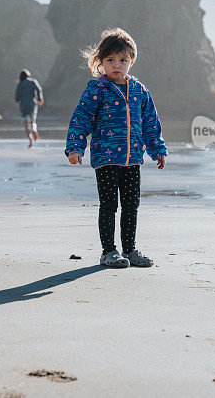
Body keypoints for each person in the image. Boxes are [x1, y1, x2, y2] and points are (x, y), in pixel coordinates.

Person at [64, 28, 167, 268]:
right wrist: (75, 147)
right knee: (109, 204)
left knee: (131, 205)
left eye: (122, 60)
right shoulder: (96, 89)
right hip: (106, 157)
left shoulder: (140, 91)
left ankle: (130, 250)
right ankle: (109, 251)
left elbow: (151, 123)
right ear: (101, 62)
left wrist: (158, 150)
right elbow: (81, 118)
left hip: (132, 158)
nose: (116, 65)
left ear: (132, 60)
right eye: (110, 60)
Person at [14, 69, 43, 148]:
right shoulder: (33, 81)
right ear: (28, 75)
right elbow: (39, 89)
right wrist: (40, 99)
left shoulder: (20, 84)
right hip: (32, 105)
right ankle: (34, 129)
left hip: (23, 106)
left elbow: (16, 97)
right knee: (32, 121)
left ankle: (30, 140)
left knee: (26, 124)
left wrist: (17, 99)